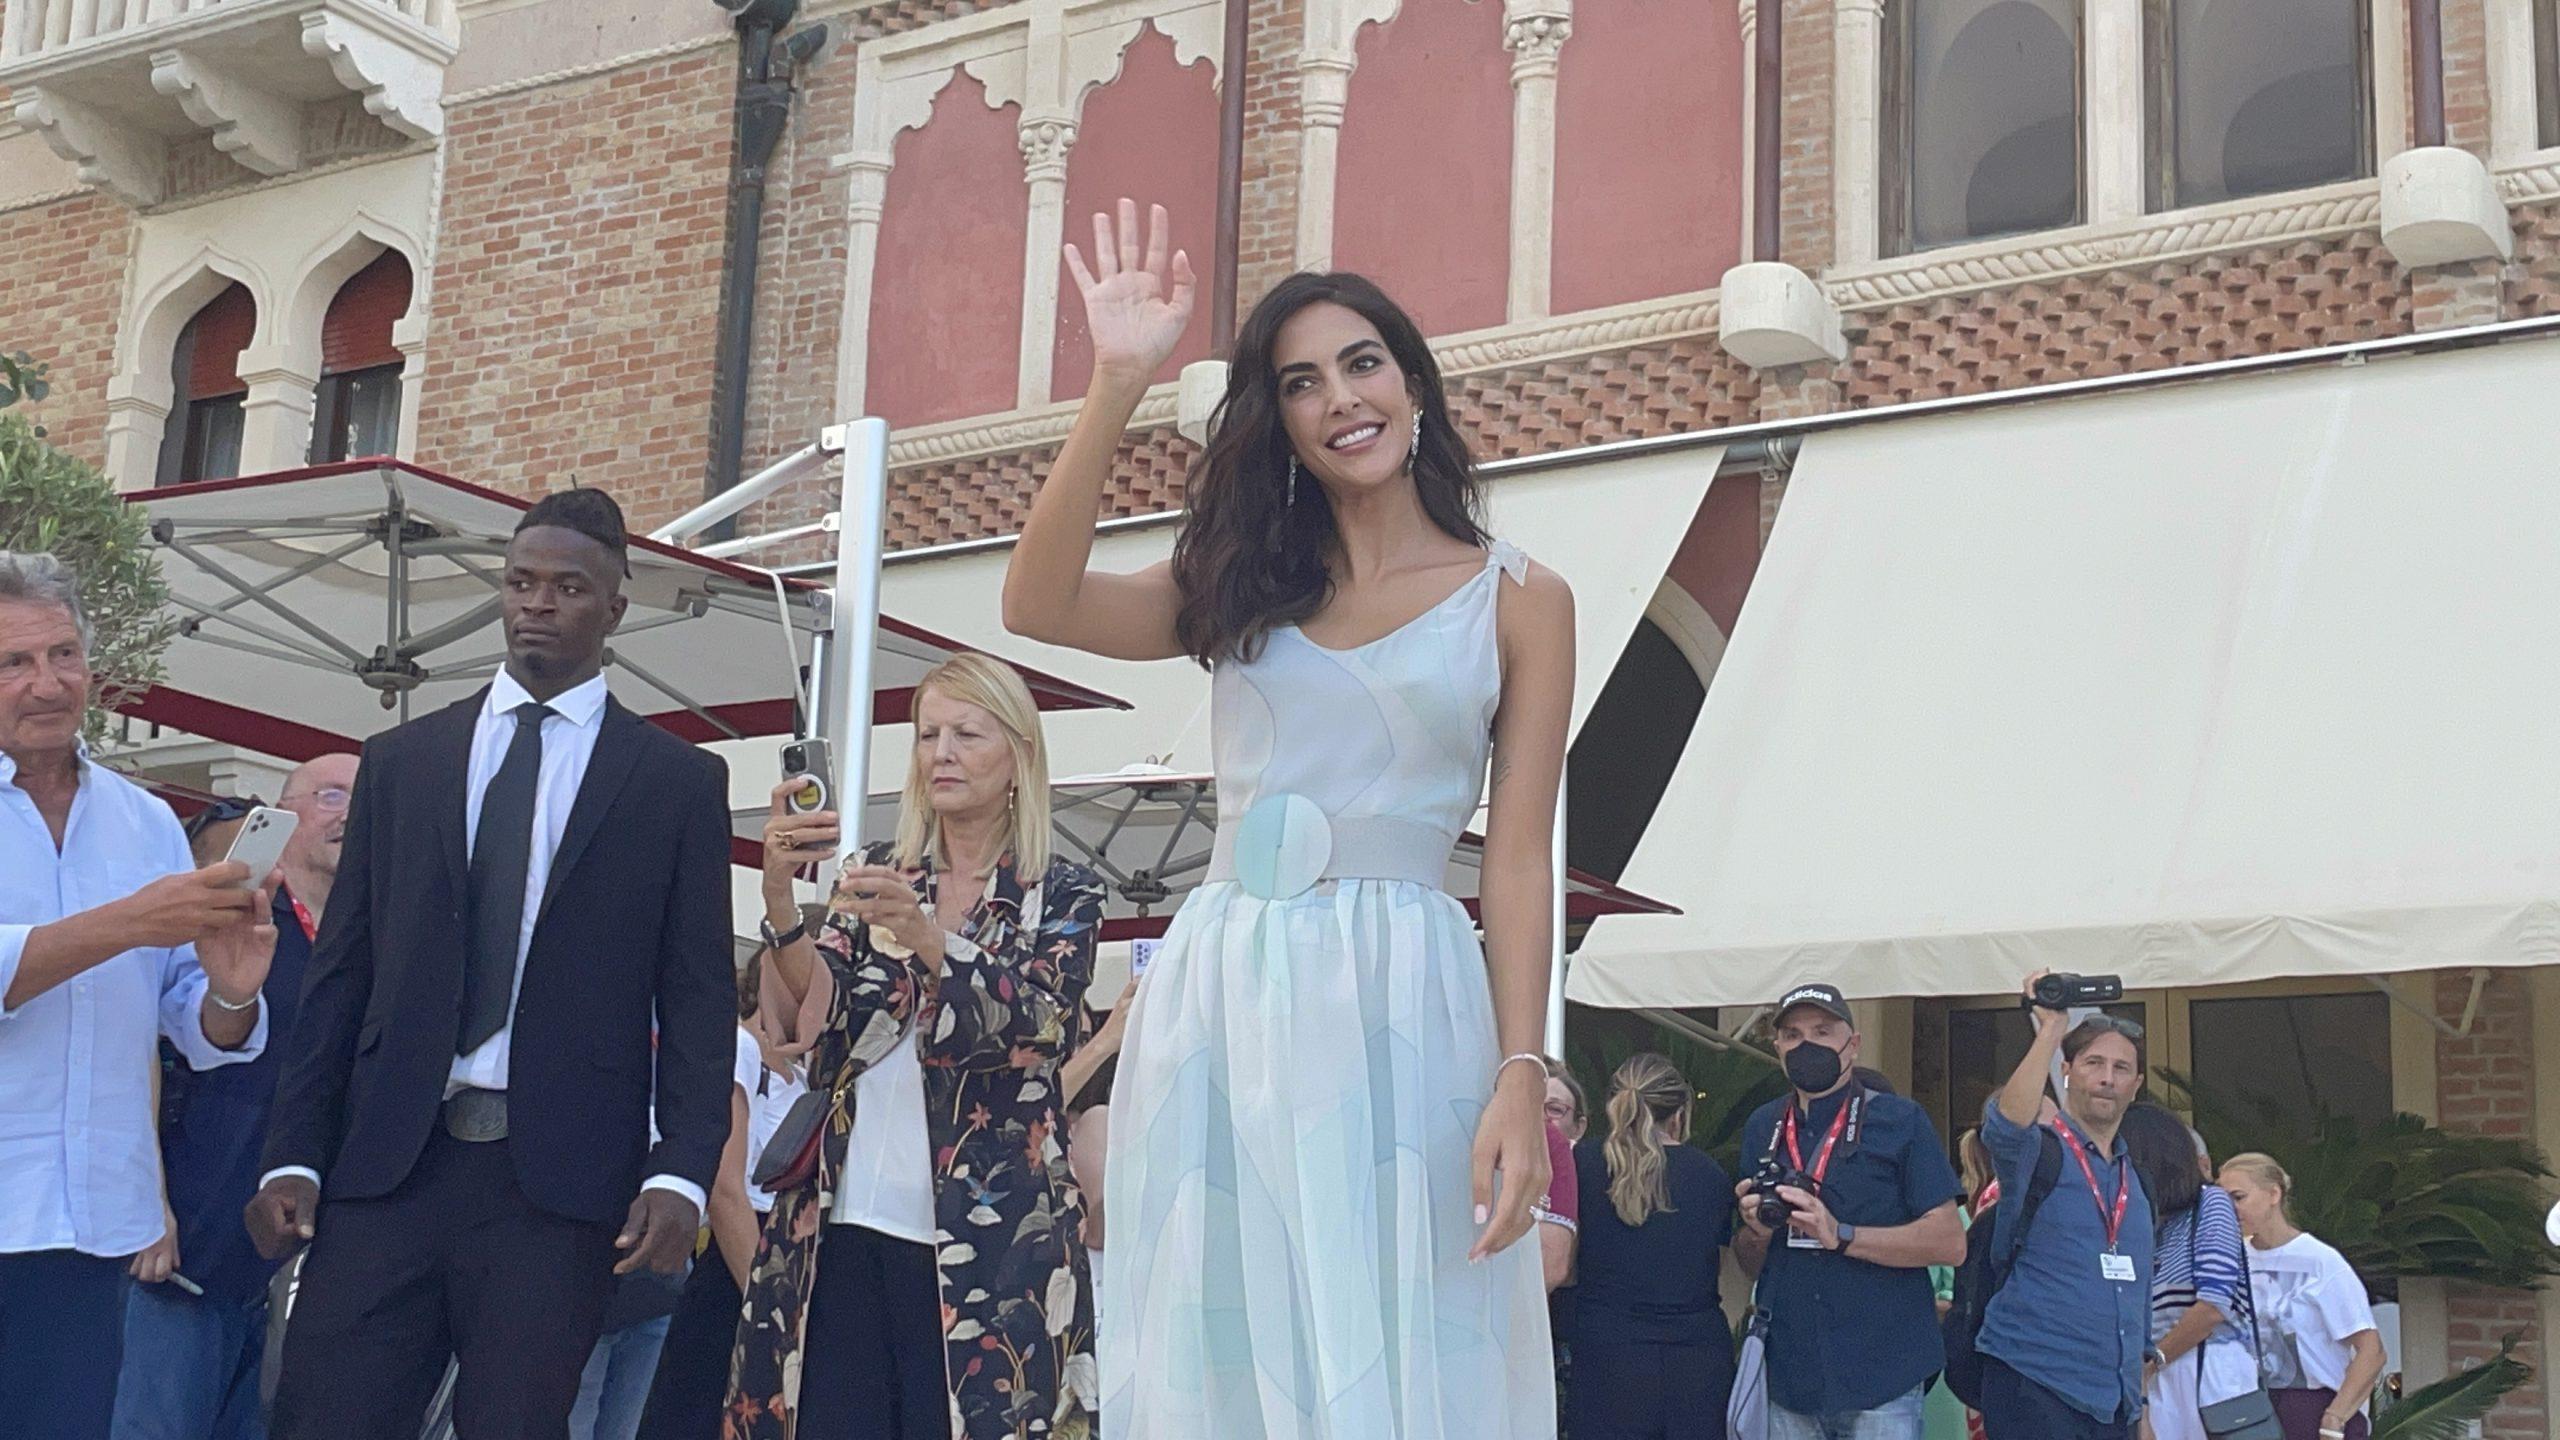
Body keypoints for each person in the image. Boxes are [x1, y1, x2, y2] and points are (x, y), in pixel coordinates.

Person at [1006, 199, 1569, 1438]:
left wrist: (1524, 1074)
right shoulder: (1237, 582)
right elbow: (1037, 603)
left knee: (1402, 1328)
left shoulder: (1521, 600)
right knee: (1226, 1331)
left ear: (1413, 387)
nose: (1339, 397)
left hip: (1409, 1000)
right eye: (1301, 381)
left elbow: (1519, 857)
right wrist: (1114, 381)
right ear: (1286, 426)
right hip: (1228, 988)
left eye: (1362, 362)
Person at [246, 489, 736, 1440]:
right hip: (392, 1164)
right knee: (324, 1417)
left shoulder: (675, 783)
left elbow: (699, 994)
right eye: (519, 583)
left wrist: (680, 1172)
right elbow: (341, 979)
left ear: (614, 607)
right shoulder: (405, 761)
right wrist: (294, 1153)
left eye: (566, 586)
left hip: (559, 1184)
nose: (537, 604)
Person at [729, 652, 1104, 1440]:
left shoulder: (1061, 893)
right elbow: (818, 1018)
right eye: (928, 734)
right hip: (840, 1219)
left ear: (1018, 756)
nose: (942, 752)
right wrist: (778, 900)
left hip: (994, 1240)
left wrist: (930, 940)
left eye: (967, 733)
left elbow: (1038, 1025)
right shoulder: (877, 872)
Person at [0, 551, 280, 1440]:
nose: (47, 684)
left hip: (89, 1220)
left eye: (64, 654)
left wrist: (230, 996)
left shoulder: (145, 819)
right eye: (13, 662)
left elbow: (188, 1018)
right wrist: (128, 920)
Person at [112, 754, 359, 1440]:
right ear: (279, 819)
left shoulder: (367, 940)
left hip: (282, 1263)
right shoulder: (228, 913)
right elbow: (138, 1053)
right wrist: (147, 1200)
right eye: (330, 795)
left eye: (364, 800)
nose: (349, 812)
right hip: (186, 1244)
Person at [634, 803, 814, 1440]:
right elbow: (727, 1187)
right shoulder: (735, 1048)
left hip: (790, 1256)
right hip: (747, 1260)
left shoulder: (808, 1068)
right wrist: (767, 1302)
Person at [1735, 983, 1967, 1440]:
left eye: (1823, 1031)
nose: (1808, 1045)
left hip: (1882, 1369)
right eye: (1793, 1034)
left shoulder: (1901, 1121)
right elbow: (1747, 1264)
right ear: (1778, 1046)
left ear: (1853, 1044)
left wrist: (1840, 1234)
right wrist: (1756, 1230)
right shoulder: (1764, 1125)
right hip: (1790, 1371)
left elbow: (1949, 1242)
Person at [1975, 971, 2155, 1440]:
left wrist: (2141, 1404)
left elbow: (2137, 1303)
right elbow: (2005, 1129)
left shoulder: (2137, 1183)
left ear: (2136, 1084)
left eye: (2121, 1069)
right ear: (2069, 1070)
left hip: (2114, 1402)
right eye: (2094, 1063)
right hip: (2035, 1384)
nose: (2107, 1078)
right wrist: (2051, 1031)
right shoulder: (2042, 1153)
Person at [1566, 1052, 1733, 1440]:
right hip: (1695, 1357)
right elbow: (1715, 1267)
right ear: (1680, 1112)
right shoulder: (1709, 1174)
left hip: (1607, 1350)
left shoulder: (1584, 1163)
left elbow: (1569, 1260)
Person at [2218, 1154, 2383, 1440]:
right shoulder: (2230, 1258)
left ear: (2273, 1194)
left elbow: (2372, 1350)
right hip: (2248, 1406)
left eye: (2238, 1197)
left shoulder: (2319, 1261)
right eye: (2221, 1201)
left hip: (2314, 1405)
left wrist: (2335, 1417)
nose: (2230, 1209)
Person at [2119, 1103, 2252, 1440]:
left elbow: (2213, 1306)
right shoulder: (2143, 1224)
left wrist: (2152, 1364)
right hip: (2155, 1378)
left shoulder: (2210, 1205)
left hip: (2207, 1376)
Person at [1542, 1057, 1589, 1437]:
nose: (1542, 1120)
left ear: (1580, 1125)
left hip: (1568, 1332)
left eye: (1555, 1110)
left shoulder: (1592, 1177)